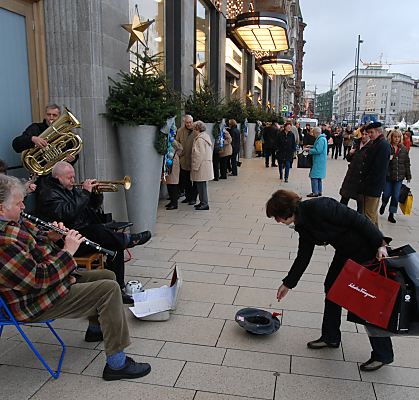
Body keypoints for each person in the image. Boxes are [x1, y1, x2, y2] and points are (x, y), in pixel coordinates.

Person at [0, 175, 151, 381]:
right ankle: (117, 364)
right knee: (108, 289)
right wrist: (68, 251)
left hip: (48, 284)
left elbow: (39, 242)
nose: (23, 206)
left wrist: (53, 236)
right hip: (33, 301)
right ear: (1, 209)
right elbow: (38, 280)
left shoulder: (16, 221)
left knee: (108, 274)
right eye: (18, 203)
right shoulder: (4, 242)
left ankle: (96, 329)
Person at [267, 189, 393, 372]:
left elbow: (359, 220)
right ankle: (331, 336)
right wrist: (288, 283)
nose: (277, 221)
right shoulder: (302, 223)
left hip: (365, 252)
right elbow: (303, 256)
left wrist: (380, 244)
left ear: (286, 211)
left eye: (277, 217)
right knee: (332, 289)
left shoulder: (321, 206)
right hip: (344, 252)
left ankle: (383, 354)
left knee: (366, 303)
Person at [35, 161, 151, 303]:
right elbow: (67, 213)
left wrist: (96, 195)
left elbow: (91, 207)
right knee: (98, 231)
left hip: (82, 233)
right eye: (69, 178)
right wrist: (85, 192)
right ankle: (128, 240)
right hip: (67, 242)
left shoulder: (68, 188)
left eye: (73, 177)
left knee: (115, 245)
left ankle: (118, 289)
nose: (73, 180)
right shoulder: (48, 193)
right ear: (58, 178)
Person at [359, 122, 391, 226]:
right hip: (370, 185)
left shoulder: (383, 145)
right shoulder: (377, 143)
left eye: (371, 132)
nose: (369, 135)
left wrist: (367, 182)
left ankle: (370, 239)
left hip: (373, 186)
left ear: (378, 131)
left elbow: (378, 169)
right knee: (372, 214)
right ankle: (378, 239)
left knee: (369, 215)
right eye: (368, 133)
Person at [379, 130, 411, 223]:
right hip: (388, 176)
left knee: (396, 196)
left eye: (398, 137)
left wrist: (408, 175)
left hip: (399, 177)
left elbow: (406, 163)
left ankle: (391, 214)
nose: (396, 139)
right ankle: (384, 204)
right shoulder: (387, 147)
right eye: (395, 137)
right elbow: (382, 161)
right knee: (386, 194)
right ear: (391, 137)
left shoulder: (404, 149)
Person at [339, 127, 371, 213]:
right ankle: (339, 217)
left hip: (361, 178)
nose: (364, 136)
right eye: (363, 134)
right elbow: (348, 159)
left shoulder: (371, 146)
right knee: (344, 199)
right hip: (351, 175)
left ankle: (359, 221)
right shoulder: (357, 143)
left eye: (366, 134)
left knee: (360, 203)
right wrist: (350, 153)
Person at [191, 121, 214, 210]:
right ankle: (202, 202)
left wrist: (195, 167)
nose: (193, 131)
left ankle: (204, 203)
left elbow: (198, 155)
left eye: (194, 129)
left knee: (201, 186)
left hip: (201, 166)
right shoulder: (205, 137)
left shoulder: (199, 140)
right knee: (201, 185)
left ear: (197, 129)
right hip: (204, 165)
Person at [175, 115, 197, 205]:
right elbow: (176, 142)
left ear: (192, 121)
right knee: (186, 180)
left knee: (195, 180)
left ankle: (193, 198)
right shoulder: (180, 131)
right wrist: (180, 153)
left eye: (190, 122)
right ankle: (188, 197)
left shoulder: (196, 130)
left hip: (193, 159)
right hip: (183, 159)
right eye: (186, 122)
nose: (188, 124)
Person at [305, 127, 327, 197]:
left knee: (314, 176)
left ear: (316, 133)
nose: (313, 135)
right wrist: (311, 146)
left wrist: (309, 150)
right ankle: (319, 191)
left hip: (318, 161)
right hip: (320, 161)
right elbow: (317, 147)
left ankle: (315, 192)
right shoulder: (322, 138)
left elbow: (318, 150)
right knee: (318, 177)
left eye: (313, 133)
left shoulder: (321, 139)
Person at [165, 140, 183, 210]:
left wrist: (175, 155)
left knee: (173, 183)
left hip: (173, 162)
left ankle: (174, 203)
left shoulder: (172, 140)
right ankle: (172, 201)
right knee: (169, 183)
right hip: (169, 162)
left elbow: (180, 148)